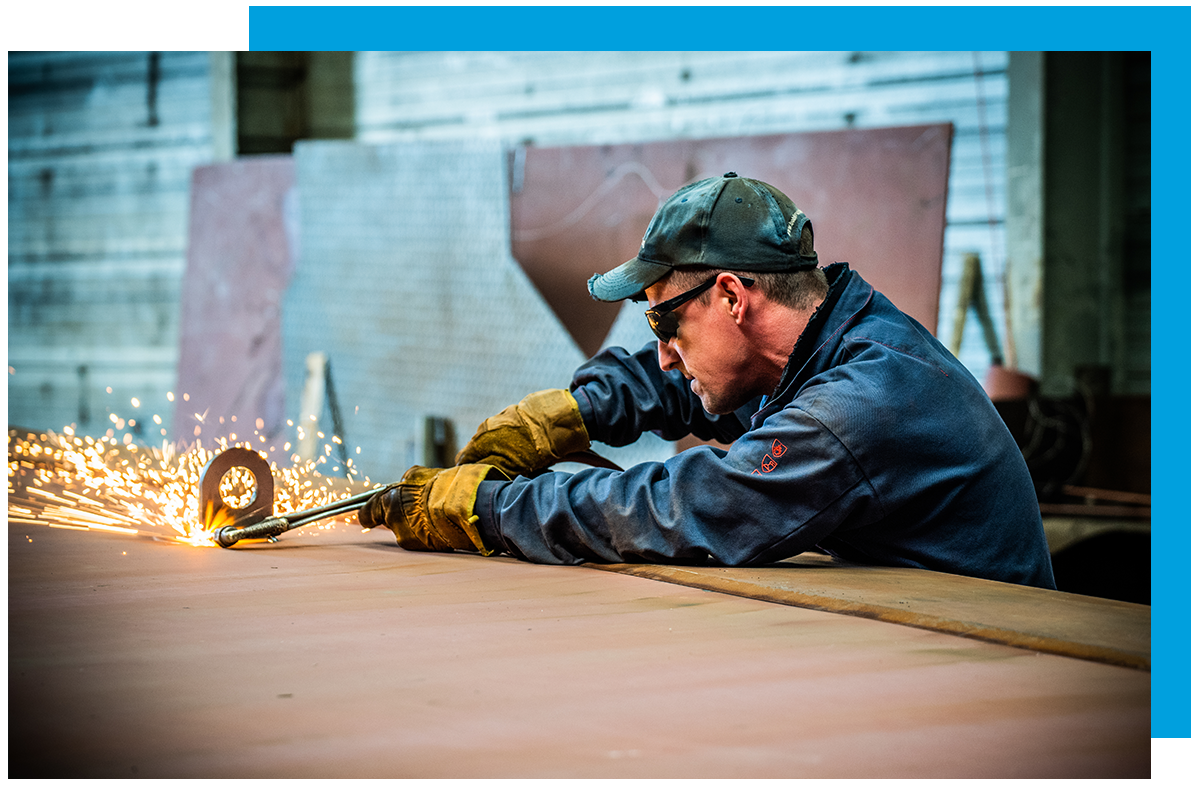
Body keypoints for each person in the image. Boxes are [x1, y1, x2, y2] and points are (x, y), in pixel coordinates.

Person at [359, 172, 1056, 589]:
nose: (662, 352)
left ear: (731, 296)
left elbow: (691, 506)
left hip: (988, 656)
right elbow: (680, 384)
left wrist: (488, 510)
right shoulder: (824, 340)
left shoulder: (860, 406)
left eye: (665, 324)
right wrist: (570, 413)